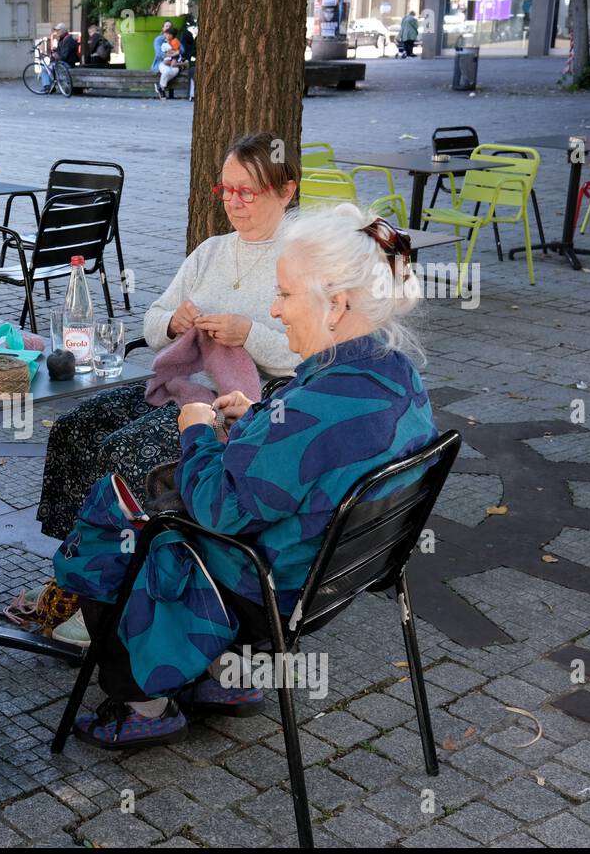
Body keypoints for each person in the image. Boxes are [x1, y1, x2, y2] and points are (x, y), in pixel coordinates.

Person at [71, 204, 438, 747]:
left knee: (115, 521)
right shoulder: (395, 374)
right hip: (341, 575)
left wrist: (196, 425)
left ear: (336, 305)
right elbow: (315, 451)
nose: (274, 308)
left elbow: (216, 507)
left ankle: (144, 703)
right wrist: (265, 416)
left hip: (269, 586)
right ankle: (228, 677)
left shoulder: (317, 407)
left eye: (286, 295)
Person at [38, 132, 302, 546]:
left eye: (247, 192)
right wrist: (174, 324)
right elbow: (153, 323)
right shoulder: (211, 251)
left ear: (286, 191)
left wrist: (248, 333)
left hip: (237, 406)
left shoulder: (300, 259)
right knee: (75, 428)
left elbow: (309, 356)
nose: (233, 202)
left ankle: (126, 577)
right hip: (177, 386)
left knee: (123, 451)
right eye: (226, 189)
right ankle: (75, 566)